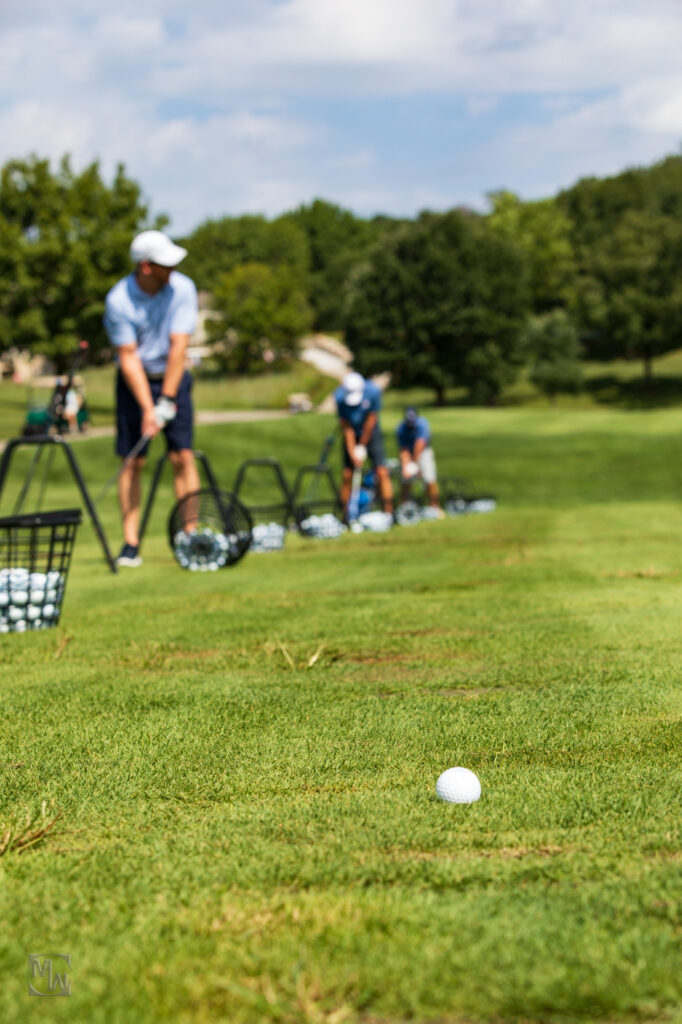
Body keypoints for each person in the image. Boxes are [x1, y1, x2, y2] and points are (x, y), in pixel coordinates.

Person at [103, 230, 200, 567]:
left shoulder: (183, 288)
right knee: (133, 461)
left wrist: (167, 400)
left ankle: (191, 535)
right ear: (145, 267)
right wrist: (148, 408)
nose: (172, 267)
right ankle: (131, 544)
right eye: (164, 263)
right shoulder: (118, 301)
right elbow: (128, 358)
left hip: (174, 378)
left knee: (182, 456)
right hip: (135, 384)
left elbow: (179, 346)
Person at [335, 371, 393, 516]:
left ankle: (388, 513)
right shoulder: (339, 397)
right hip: (352, 435)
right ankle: (345, 516)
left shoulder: (373, 392)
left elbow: (371, 421)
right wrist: (352, 451)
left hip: (372, 434)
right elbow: (346, 428)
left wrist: (362, 445)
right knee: (347, 475)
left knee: (381, 471)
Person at [396, 406, 443, 514]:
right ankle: (405, 508)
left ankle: (435, 508)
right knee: (405, 479)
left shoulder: (422, 424)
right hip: (408, 454)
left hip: (424, 452)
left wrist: (415, 465)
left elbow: (420, 444)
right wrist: (405, 467)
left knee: (429, 479)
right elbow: (403, 450)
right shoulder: (401, 428)